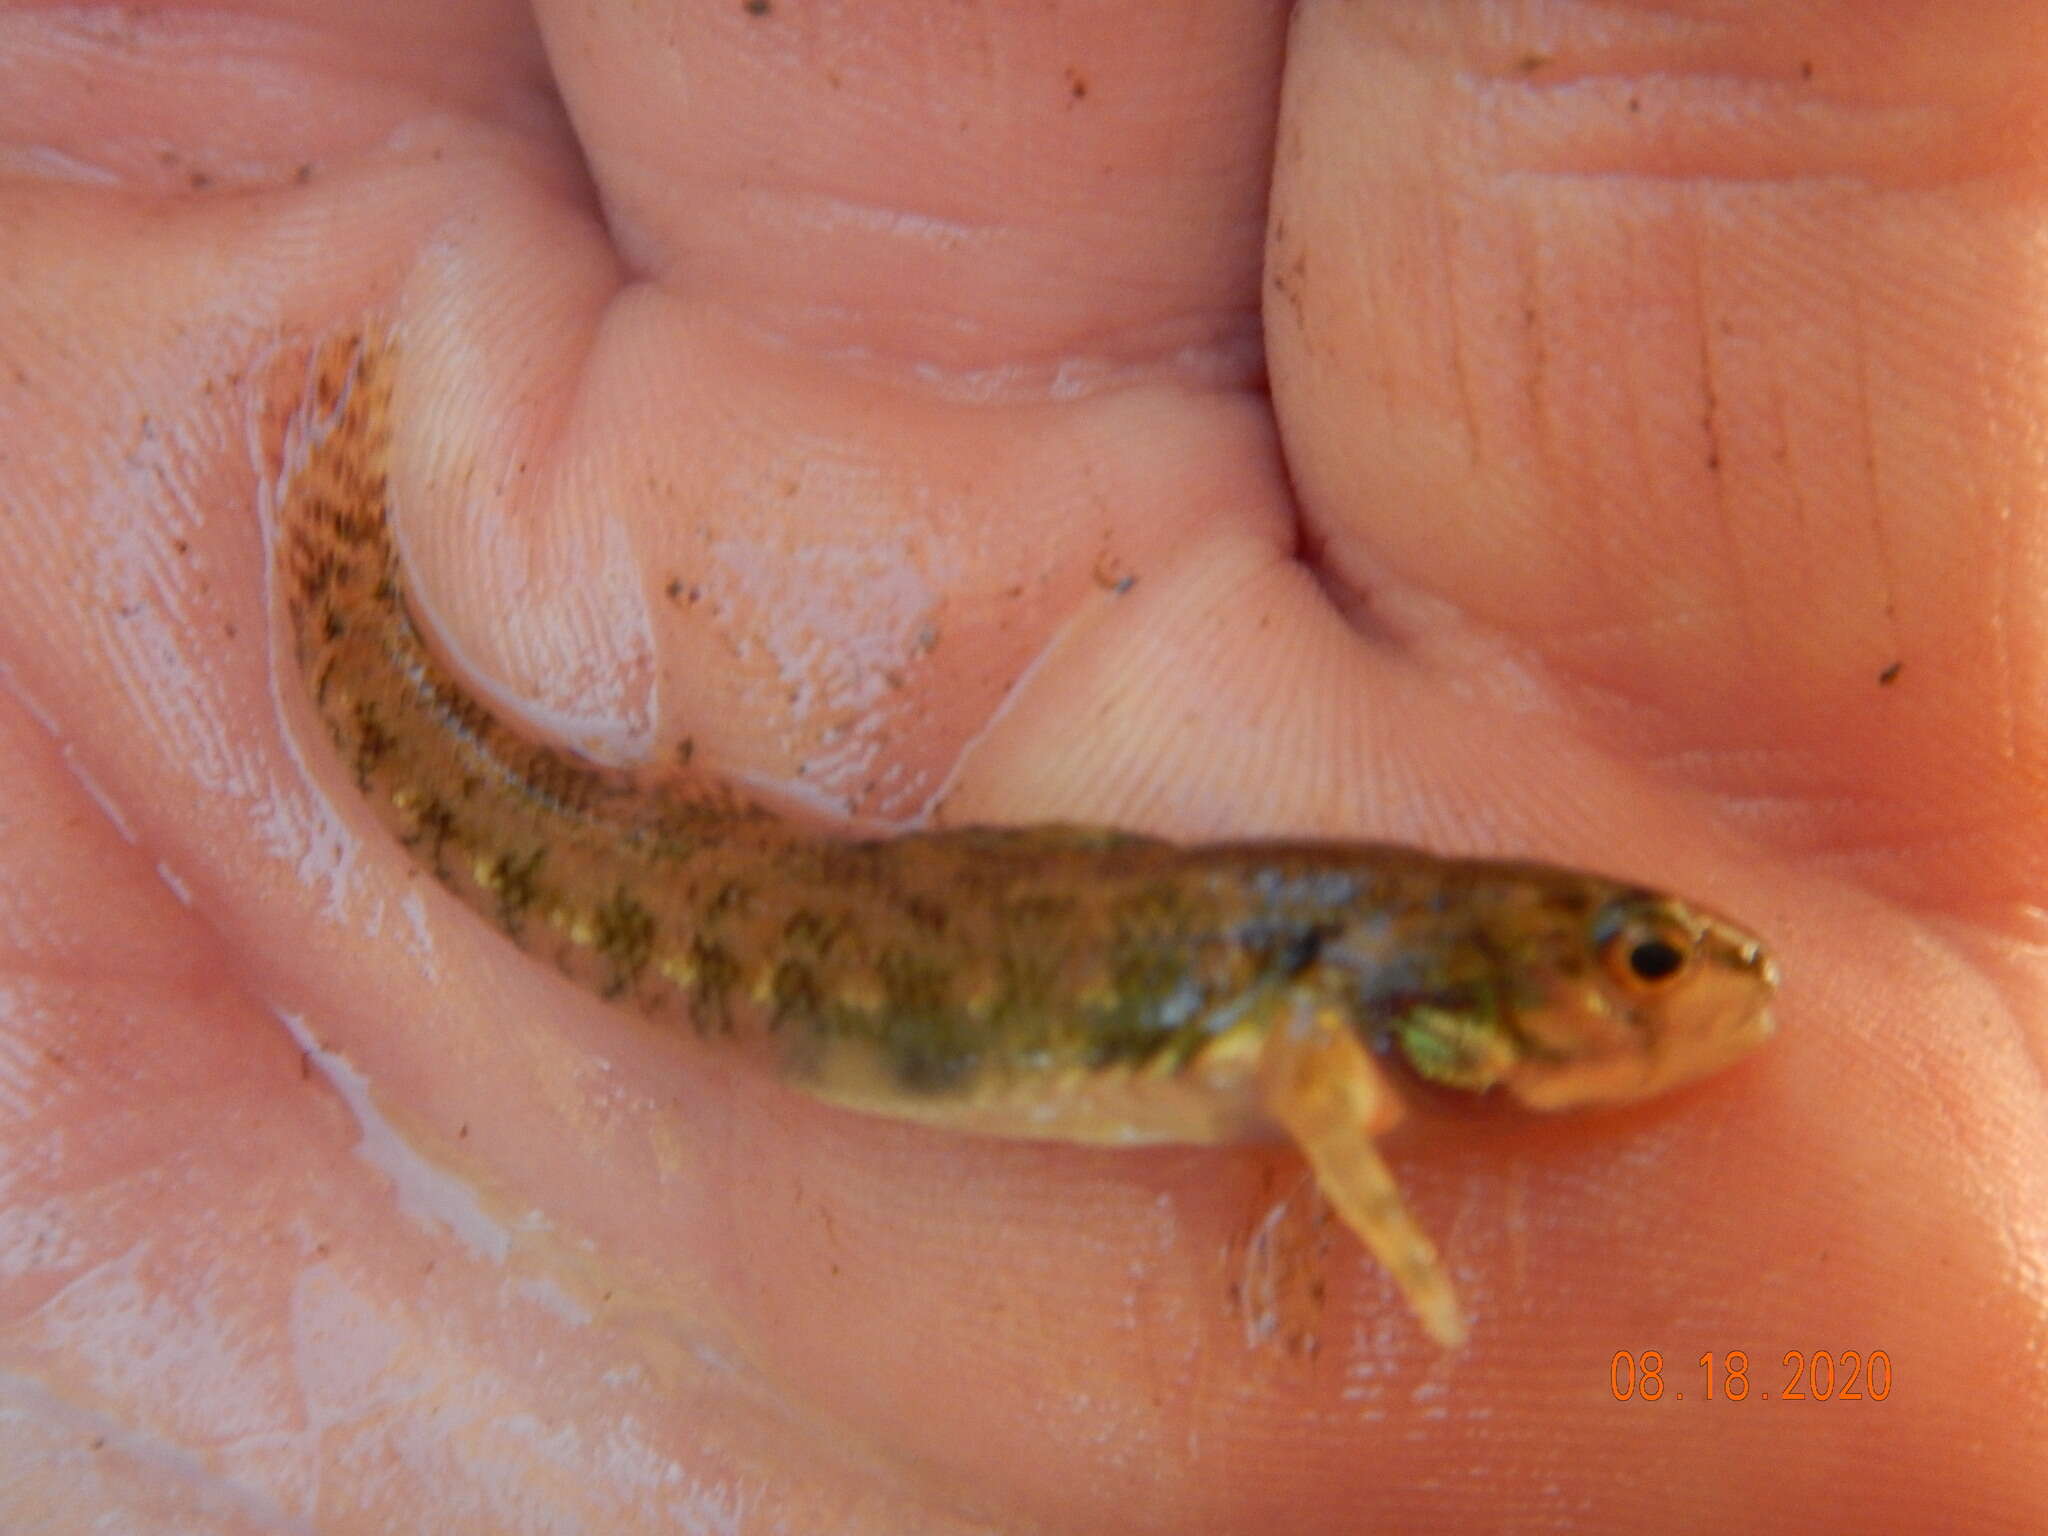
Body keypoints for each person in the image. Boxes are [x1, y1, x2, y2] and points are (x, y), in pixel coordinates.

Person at [0, 3, 2038, 1530]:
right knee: (556, 832)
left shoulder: (1358, 998)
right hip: (811, 957)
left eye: (1649, 953)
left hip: (884, 958)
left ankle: (352, 584)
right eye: (1641, 960)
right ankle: (341, 577)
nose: (1690, 984)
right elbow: (1328, 1098)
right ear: (1493, 962)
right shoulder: (1344, 1013)